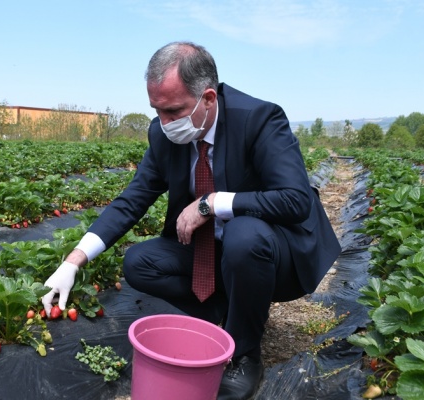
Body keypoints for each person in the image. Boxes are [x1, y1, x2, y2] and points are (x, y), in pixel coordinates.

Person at [41, 42, 341, 400]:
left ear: (209, 98)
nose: (165, 123)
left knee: (244, 235)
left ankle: (244, 354)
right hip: (213, 252)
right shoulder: (164, 135)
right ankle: (225, 315)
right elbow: (133, 198)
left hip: (275, 252)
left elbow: (296, 200)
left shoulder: (259, 119)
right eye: (157, 111)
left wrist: (211, 203)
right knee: (139, 262)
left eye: (174, 111)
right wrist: (74, 259)